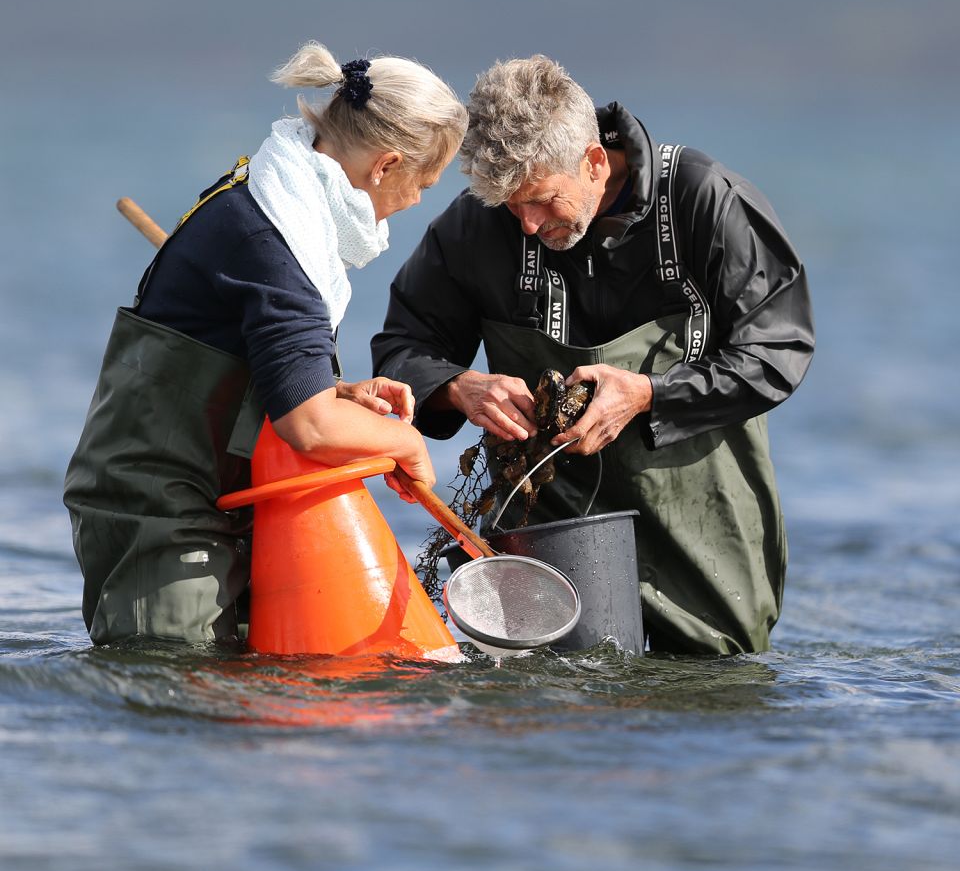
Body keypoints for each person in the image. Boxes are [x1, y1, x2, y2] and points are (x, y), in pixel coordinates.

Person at [372, 55, 814, 655]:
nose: (526, 225)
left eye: (542, 200)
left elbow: (778, 347)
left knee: (709, 698)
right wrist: (456, 386)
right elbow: (402, 346)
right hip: (545, 536)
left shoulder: (705, 201)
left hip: (701, 532)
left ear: (595, 161)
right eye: (509, 205)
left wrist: (650, 395)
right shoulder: (476, 227)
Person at [64, 42, 468, 645]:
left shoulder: (272, 194)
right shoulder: (278, 240)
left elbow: (259, 363)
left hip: (223, 493)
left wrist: (335, 389)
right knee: (176, 690)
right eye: (423, 184)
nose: (413, 203)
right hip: (158, 504)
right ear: (385, 165)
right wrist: (406, 442)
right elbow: (308, 425)